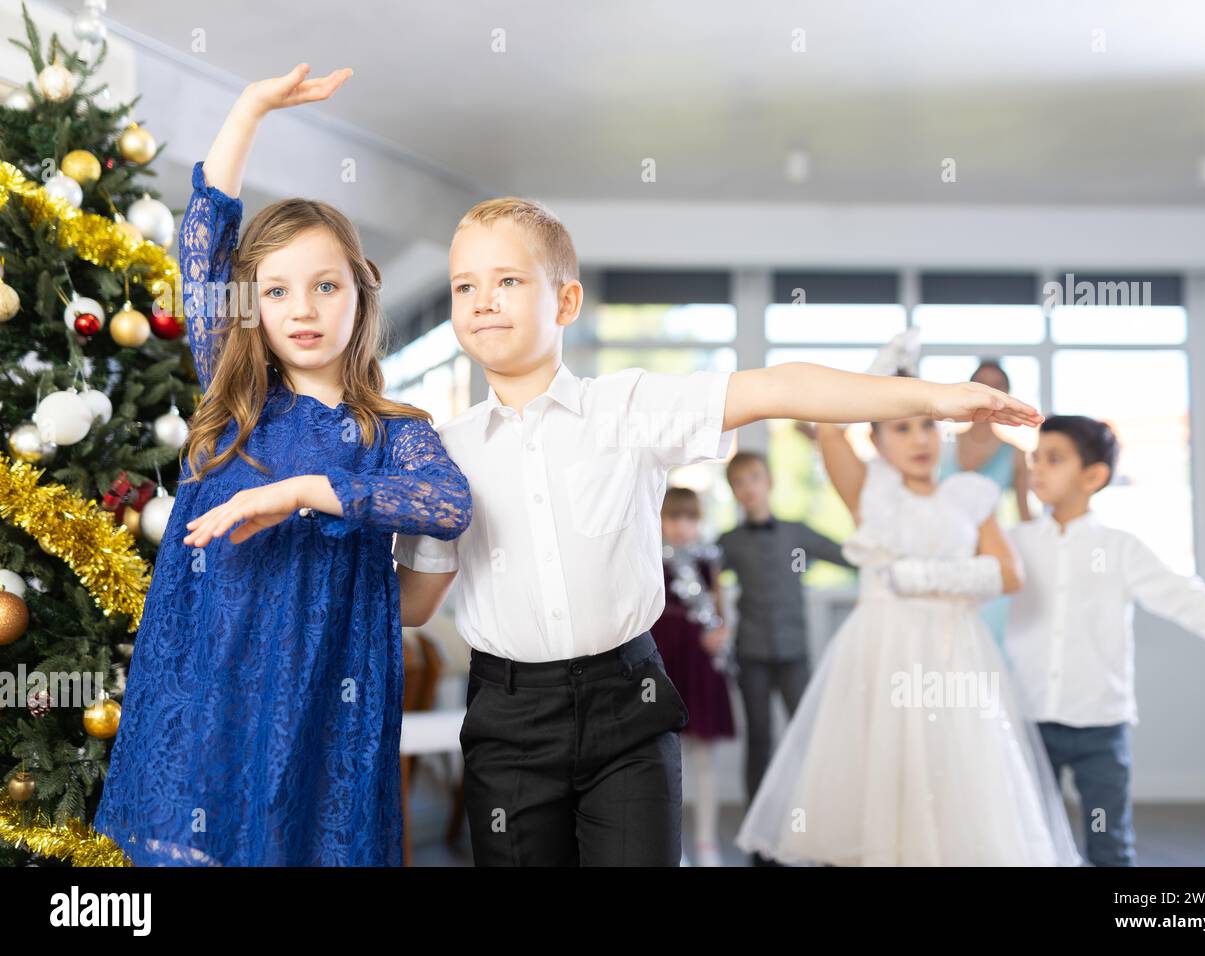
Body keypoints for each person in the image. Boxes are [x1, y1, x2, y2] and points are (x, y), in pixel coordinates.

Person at [392, 197, 1042, 866]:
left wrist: (933, 396)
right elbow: (415, 602)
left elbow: (780, 387)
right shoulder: (439, 451)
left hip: (627, 706)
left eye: (507, 280)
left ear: (566, 301)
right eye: (464, 285)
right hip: (509, 720)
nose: (481, 300)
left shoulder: (629, 408)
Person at [93, 65, 472, 866]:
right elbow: (204, 236)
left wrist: (306, 491)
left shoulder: (392, 431)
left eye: (325, 286)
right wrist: (250, 109)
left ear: (361, 299)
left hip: (323, 701)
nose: (302, 309)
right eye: (277, 292)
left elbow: (447, 503)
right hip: (206, 695)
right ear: (248, 308)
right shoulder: (236, 408)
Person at [735, 334, 1078, 866]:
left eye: (926, 424)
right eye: (901, 426)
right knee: (884, 774)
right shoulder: (868, 489)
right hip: (883, 650)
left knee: (963, 775)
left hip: (953, 650)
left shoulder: (969, 496)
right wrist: (880, 372)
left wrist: (918, 577)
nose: (919, 438)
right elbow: (828, 426)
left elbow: (1008, 574)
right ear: (877, 439)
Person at [1004, 414, 1205, 866]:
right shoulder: (1013, 543)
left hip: (1101, 722)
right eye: (1035, 458)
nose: (1037, 467)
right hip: (1030, 717)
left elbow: (1185, 597)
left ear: (1093, 476)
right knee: (1029, 837)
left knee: (1109, 842)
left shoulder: (1120, 548)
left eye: (1054, 459)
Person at [716, 449, 855, 865]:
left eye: (754, 478)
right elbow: (699, 578)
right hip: (752, 656)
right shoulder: (729, 543)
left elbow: (846, 555)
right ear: (734, 492)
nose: (749, 488)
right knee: (760, 742)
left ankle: (821, 831)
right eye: (739, 483)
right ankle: (760, 839)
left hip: (794, 653)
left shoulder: (797, 533)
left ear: (769, 481)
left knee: (809, 739)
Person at [655, 487, 735, 866]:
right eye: (673, 518)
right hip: (664, 662)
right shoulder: (652, 558)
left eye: (689, 518)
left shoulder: (708, 559)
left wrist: (721, 632)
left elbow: (718, 607)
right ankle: (675, 846)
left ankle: (706, 843)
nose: (681, 527)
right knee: (667, 762)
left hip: (700, 662)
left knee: (704, 758)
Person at [936, 359, 1032, 655]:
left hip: (989, 568)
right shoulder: (941, 447)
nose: (990, 392)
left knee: (987, 652)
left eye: (998, 386)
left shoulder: (1014, 455)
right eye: (983, 384)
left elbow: (1025, 516)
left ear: (1007, 395)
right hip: (943, 562)